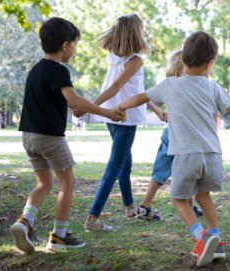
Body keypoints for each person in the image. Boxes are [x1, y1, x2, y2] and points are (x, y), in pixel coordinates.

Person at [116, 31, 230, 267]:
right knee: (203, 196)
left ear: (183, 60)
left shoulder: (170, 85)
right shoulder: (213, 87)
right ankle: (216, 239)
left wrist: (122, 106)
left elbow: (142, 97)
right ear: (210, 64)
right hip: (213, 156)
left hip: (186, 155)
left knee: (178, 198)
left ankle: (200, 236)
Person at [10, 17, 125, 253]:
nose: (75, 48)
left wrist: (73, 106)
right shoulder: (59, 71)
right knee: (67, 183)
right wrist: (107, 112)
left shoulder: (35, 70)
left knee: (44, 183)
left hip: (29, 137)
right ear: (65, 45)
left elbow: (56, 100)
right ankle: (59, 236)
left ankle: (25, 221)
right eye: (75, 44)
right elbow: (73, 99)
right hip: (50, 138)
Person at [82, 14, 166, 232]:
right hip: (123, 117)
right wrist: (89, 106)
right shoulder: (135, 59)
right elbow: (116, 87)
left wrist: (156, 110)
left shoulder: (114, 57)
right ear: (136, 32)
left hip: (112, 115)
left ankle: (130, 208)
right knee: (115, 166)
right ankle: (92, 218)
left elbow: (137, 90)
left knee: (125, 163)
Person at [138, 50, 203, 221]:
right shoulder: (191, 85)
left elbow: (145, 96)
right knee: (185, 169)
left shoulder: (169, 84)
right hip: (180, 135)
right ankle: (147, 206)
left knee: (162, 171)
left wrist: (161, 111)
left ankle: (146, 205)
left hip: (170, 133)